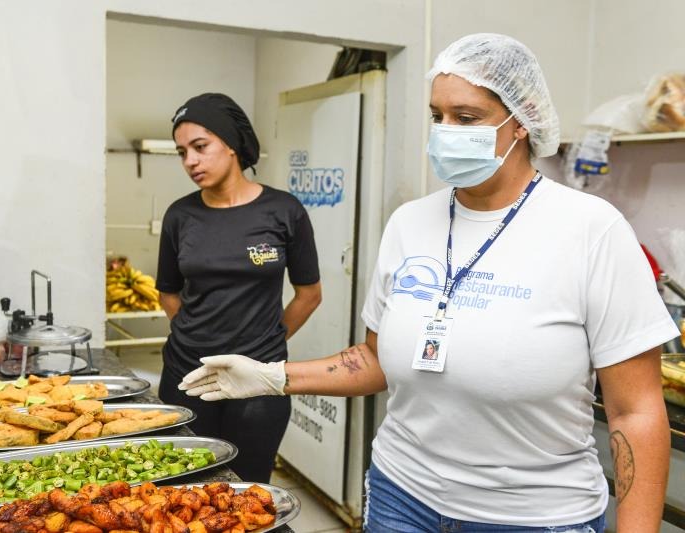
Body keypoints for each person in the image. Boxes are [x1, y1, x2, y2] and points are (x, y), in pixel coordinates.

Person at [178, 35, 676, 532]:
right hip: (401, 496)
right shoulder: (409, 223)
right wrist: (273, 376)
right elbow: (377, 359)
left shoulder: (591, 229)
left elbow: (635, 413)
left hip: (531, 515)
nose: (444, 132)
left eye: (466, 118)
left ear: (521, 120)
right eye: (437, 116)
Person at [156, 93, 322, 483]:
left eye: (200, 147)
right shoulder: (180, 216)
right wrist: (197, 337)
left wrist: (264, 342)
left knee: (248, 489)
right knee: (184, 487)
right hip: (188, 375)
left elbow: (309, 294)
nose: (190, 161)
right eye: (182, 153)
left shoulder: (284, 211)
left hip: (258, 380)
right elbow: (169, 293)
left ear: (231, 144)